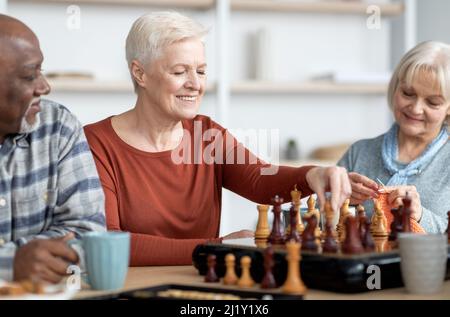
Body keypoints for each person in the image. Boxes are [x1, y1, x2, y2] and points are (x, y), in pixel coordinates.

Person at [84, 12, 351, 266]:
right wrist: (216, 246)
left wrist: (312, 175)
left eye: (200, 71)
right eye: (179, 72)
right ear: (140, 73)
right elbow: (107, 241)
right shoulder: (96, 143)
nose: (195, 84)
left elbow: (259, 180)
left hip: (200, 284)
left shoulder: (207, 134)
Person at [0, 15, 106, 282]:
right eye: (29, 76)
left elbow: (89, 233)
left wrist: (30, 258)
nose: (45, 87)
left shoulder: (59, 127)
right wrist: (11, 264)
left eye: (41, 71)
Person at [338, 41, 450, 233]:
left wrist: (421, 216)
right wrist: (339, 200)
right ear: (395, 88)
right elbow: (317, 221)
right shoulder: (359, 152)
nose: (415, 109)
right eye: (408, 93)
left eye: (432, 102)